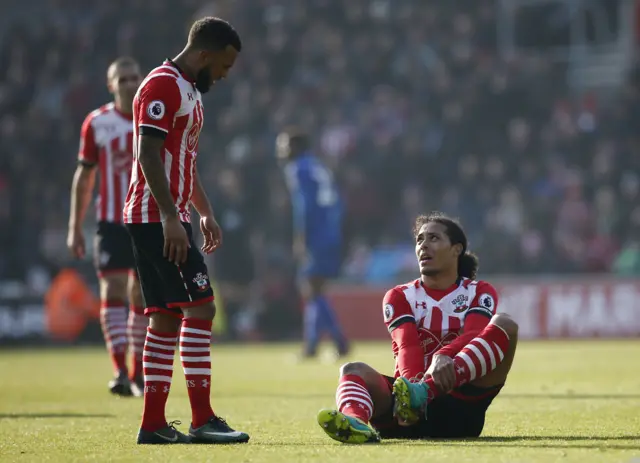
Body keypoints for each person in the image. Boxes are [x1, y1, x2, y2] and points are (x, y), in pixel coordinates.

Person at [122, 17, 249, 445]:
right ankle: (202, 419)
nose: (225, 75)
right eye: (224, 66)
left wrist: (205, 212)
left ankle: (153, 425)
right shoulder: (162, 85)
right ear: (204, 54)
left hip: (165, 217)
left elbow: (184, 161)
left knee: (164, 319)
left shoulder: (190, 91)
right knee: (201, 309)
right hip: (156, 219)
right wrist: (170, 217)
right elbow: (148, 153)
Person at [317, 212, 519, 443]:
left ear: (456, 249)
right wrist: (411, 396)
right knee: (352, 370)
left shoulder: (478, 291)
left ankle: (423, 392)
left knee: (505, 324)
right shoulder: (399, 295)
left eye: (433, 238)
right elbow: (407, 346)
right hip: (406, 412)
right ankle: (356, 422)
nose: (424, 245)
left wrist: (442, 358)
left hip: (461, 408)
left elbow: (474, 333)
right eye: (419, 240)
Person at [67, 57, 147, 397]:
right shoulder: (97, 123)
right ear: (110, 85)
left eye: (134, 78)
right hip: (112, 221)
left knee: (142, 295)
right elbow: (85, 176)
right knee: (113, 290)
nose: (129, 84)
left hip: (147, 219)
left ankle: (138, 371)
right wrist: (75, 225)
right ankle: (118, 370)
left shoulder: (153, 117)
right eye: (122, 79)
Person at [277, 128, 349, 359]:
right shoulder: (318, 166)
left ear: (295, 147)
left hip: (316, 234)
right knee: (313, 288)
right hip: (330, 232)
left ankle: (329, 342)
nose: (280, 150)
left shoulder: (298, 167)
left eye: (284, 145)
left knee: (310, 287)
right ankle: (324, 343)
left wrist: (301, 237)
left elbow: (304, 205)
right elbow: (336, 200)